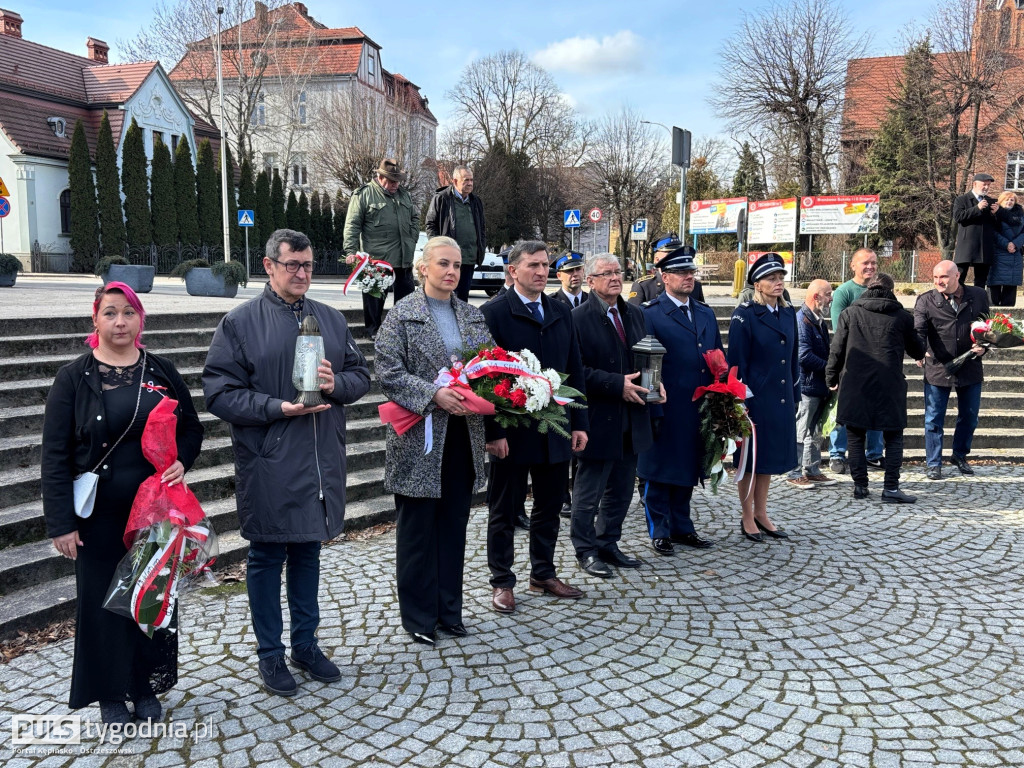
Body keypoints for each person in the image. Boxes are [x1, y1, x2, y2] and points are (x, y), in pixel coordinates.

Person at [203, 229, 371, 697]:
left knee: (308, 553)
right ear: (268, 266)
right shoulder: (239, 324)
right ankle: (270, 656)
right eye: (292, 265)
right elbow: (219, 392)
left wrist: (337, 384)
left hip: (320, 460)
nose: (301, 274)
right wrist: (277, 408)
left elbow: (361, 376)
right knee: (265, 557)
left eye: (308, 265)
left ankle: (306, 646)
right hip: (270, 460)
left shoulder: (331, 320)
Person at [42, 282, 203, 724]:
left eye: (128, 313)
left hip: (154, 513)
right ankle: (109, 693)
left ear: (140, 319)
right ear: (95, 319)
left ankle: (143, 686)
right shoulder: (73, 377)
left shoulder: (161, 369)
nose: (119, 322)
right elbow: (54, 454)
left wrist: (182, 462)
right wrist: (60, 523)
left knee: (147, 600)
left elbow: (192, 429)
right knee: (100, 604)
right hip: (97, 516)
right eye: (110, 313)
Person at [374, 237, 494, 645]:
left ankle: (449, 611)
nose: (452, 272)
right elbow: (388, 371)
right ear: (422, 268)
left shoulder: (473, 315)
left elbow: (492, 365)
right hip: (419, 439)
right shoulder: (401, 316)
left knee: (453, 527)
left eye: (458, 265)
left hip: (463, 435)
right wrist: (433, 394)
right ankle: (419, 618)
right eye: (443, 263)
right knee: (417, 531)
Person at [481, 240, 589, 613]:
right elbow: (483, 378)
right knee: (504, 510)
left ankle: (542, 572)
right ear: (513, 270)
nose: (541, 272)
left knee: (549, 506)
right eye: (533, 266)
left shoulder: (560, 312)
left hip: (556, 428)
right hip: (513, 431)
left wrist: (580, 422)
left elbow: (574, 368)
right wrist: (492, 432)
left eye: (545, 265)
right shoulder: (493, 313)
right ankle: (502, 581)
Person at [570, 253, 662, 577]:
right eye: (606, 273)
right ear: (590, 281)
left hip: (633, 416)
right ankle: (585, 550)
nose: (614, 277)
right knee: (588, 492)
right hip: (598, 417)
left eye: (617, 271)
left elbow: (646, 356)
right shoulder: (578, 318)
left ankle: (608, 542)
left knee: (622, 489)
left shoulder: (634, 313)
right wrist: (615, 385)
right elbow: (574, 371)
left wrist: (655, 386)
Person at [637, 247, 722, 555]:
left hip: (697, 406)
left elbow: (717, 357)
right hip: (667, 406)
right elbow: (647, 365)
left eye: (692, 272)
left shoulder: (705, 312)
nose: (689, 277)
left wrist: (722, 399)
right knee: (660, 470)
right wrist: (653, 406)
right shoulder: (650, 313)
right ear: (665, 276)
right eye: (683, 273)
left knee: (688, 467)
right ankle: (659, 530)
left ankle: (683, 527)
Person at [825, 273, 926, 502]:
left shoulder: (850, 313)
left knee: (855, 435)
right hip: (889, 384)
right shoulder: (902, 317)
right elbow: (918, 351)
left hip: (855, 383)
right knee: (893, 436)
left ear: (867, 289)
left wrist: (831, 377)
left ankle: (860, 486)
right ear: (892, 290)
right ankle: (890, 488)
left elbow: (837, 349)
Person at [728, 253, 797, 542]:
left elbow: (792, 358)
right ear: (757, 284)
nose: (778, 282)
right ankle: (746, 516)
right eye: (771, 278)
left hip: (780, 398)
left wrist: (794, 393)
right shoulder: (745, 315)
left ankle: (762, 512)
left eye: (781, 277)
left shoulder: (789, 312)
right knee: (750, 461)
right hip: (755, 399)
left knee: (766, 459)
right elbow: (737, 362)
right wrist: (739, 400)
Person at [913, 259, 990, 480]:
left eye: (944, 277)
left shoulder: (978, 295)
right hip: (938, 367)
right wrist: (919, 350)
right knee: (933, 418)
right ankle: (934, 463)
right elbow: (918, 329)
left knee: (969, 416)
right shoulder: (925, 300)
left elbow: (988, 326)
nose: (939, 281)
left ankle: (959, 455)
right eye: (936, 277)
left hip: (970, 366)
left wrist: (984, 346)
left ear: (957, 276)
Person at [343, 158, 420, 337]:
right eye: (391, 180)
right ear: (379, 176)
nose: (395, 184)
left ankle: (402, 334)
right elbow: (352, 225)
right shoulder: (364, 194)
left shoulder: (404, 194)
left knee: (406, 301)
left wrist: (412, 237)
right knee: (374, 301)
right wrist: (351, 251)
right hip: (378, 259)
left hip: (403, 257)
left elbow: (415, 218)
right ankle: (373, 333)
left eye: (397, 180)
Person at [829, 248, 884, 474]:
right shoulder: (844, 292)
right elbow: (838, 329)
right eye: (865, 263)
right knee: (843, 411)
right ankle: (837, 454)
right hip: (850, 364)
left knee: (876, 410)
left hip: (877, 363)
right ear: (853, 265)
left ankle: (873, 454)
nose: (870, 267)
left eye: (873, 263)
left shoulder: (883, 290)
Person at [786, 279, 838, 489]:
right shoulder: (802, 320)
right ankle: (794, 471)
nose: (831, 299)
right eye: (828, 295)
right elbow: (804, 355)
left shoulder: (817, 319)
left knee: (816, 431)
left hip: (818, 386)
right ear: (816, 297)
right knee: (801, 430)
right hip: (807, 387)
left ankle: (812, 469)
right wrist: (830, 370)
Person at [548, 250, 588, 515]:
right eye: (569, 271)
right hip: (561, 382)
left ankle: (582, 495)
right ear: (559, 275)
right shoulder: (554, 303)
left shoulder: (592, 301)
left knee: (582, 443)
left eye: (578, 270)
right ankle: (562, 495)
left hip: (586, 381)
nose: (575, 275)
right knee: (563, 439)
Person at [425, 166, 486, 301]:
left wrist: (480, 248)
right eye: (466, 180)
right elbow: (430, 225)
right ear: (455, 181)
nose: (470, 183)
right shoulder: (442, 198)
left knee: (462, 300)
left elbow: (481, 228)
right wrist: (439, 249)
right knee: (444, 298)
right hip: (448, 260)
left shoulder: (476, 201)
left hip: (468, 258)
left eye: (471, 180)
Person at [628, 236, 705, 306]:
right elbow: (634, 317)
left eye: (677, 252)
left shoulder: (695, 285)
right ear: (656, 259)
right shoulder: (644, 286)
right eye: (670, 253)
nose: (675, 256)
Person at [953, 172, 997, 289]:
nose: (986, 187)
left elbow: (996, 226)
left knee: (981, 281)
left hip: (984, 247)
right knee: (959, 278)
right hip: (967, 245)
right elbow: (958, 217)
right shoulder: (962, 200)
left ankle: (978, 304)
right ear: (975, 184)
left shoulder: (990, 201)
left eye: (988, 185)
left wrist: (995, 214)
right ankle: (956, 302)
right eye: (984, 184)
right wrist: (977, 208)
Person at [991, 190, 1024, 307]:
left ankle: (1007, 322)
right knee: (994, 289)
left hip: (1015, 254)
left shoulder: (1020, 215)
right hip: (998, 254)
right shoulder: (994, 214)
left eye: (1012, 200)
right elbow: (993, 232)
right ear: (1001, 201)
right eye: (1007, 199)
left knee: (1010, 289)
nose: (1009, 202)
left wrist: (1015, 244)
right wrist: (1006, 244)